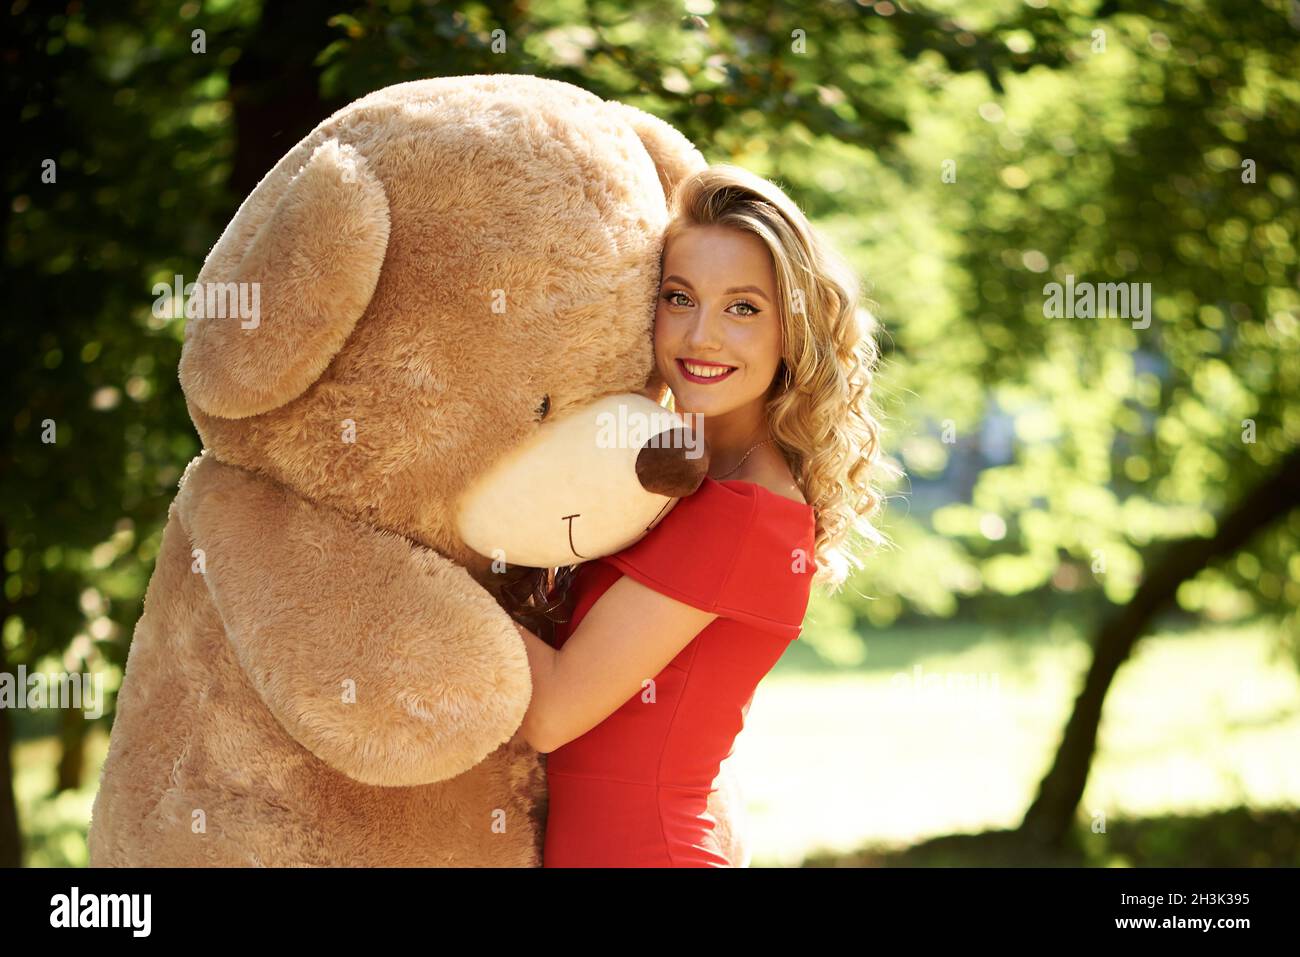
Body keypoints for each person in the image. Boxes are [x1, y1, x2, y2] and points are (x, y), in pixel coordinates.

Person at [509, 163, 892, 867]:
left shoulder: (743, 514)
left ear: (793, 331)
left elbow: (552, 710)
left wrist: (411, 567)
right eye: (679, 298)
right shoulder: (670, 475)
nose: (701, 337)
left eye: (743, 308)